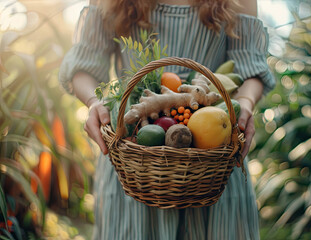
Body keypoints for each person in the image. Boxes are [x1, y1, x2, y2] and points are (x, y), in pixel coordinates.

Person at [59, 0, 275, 239]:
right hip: (134, 161)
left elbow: (250, 69)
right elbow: (85, 67)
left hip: (213, 162)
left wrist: (244, 103)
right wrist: (94, 102)